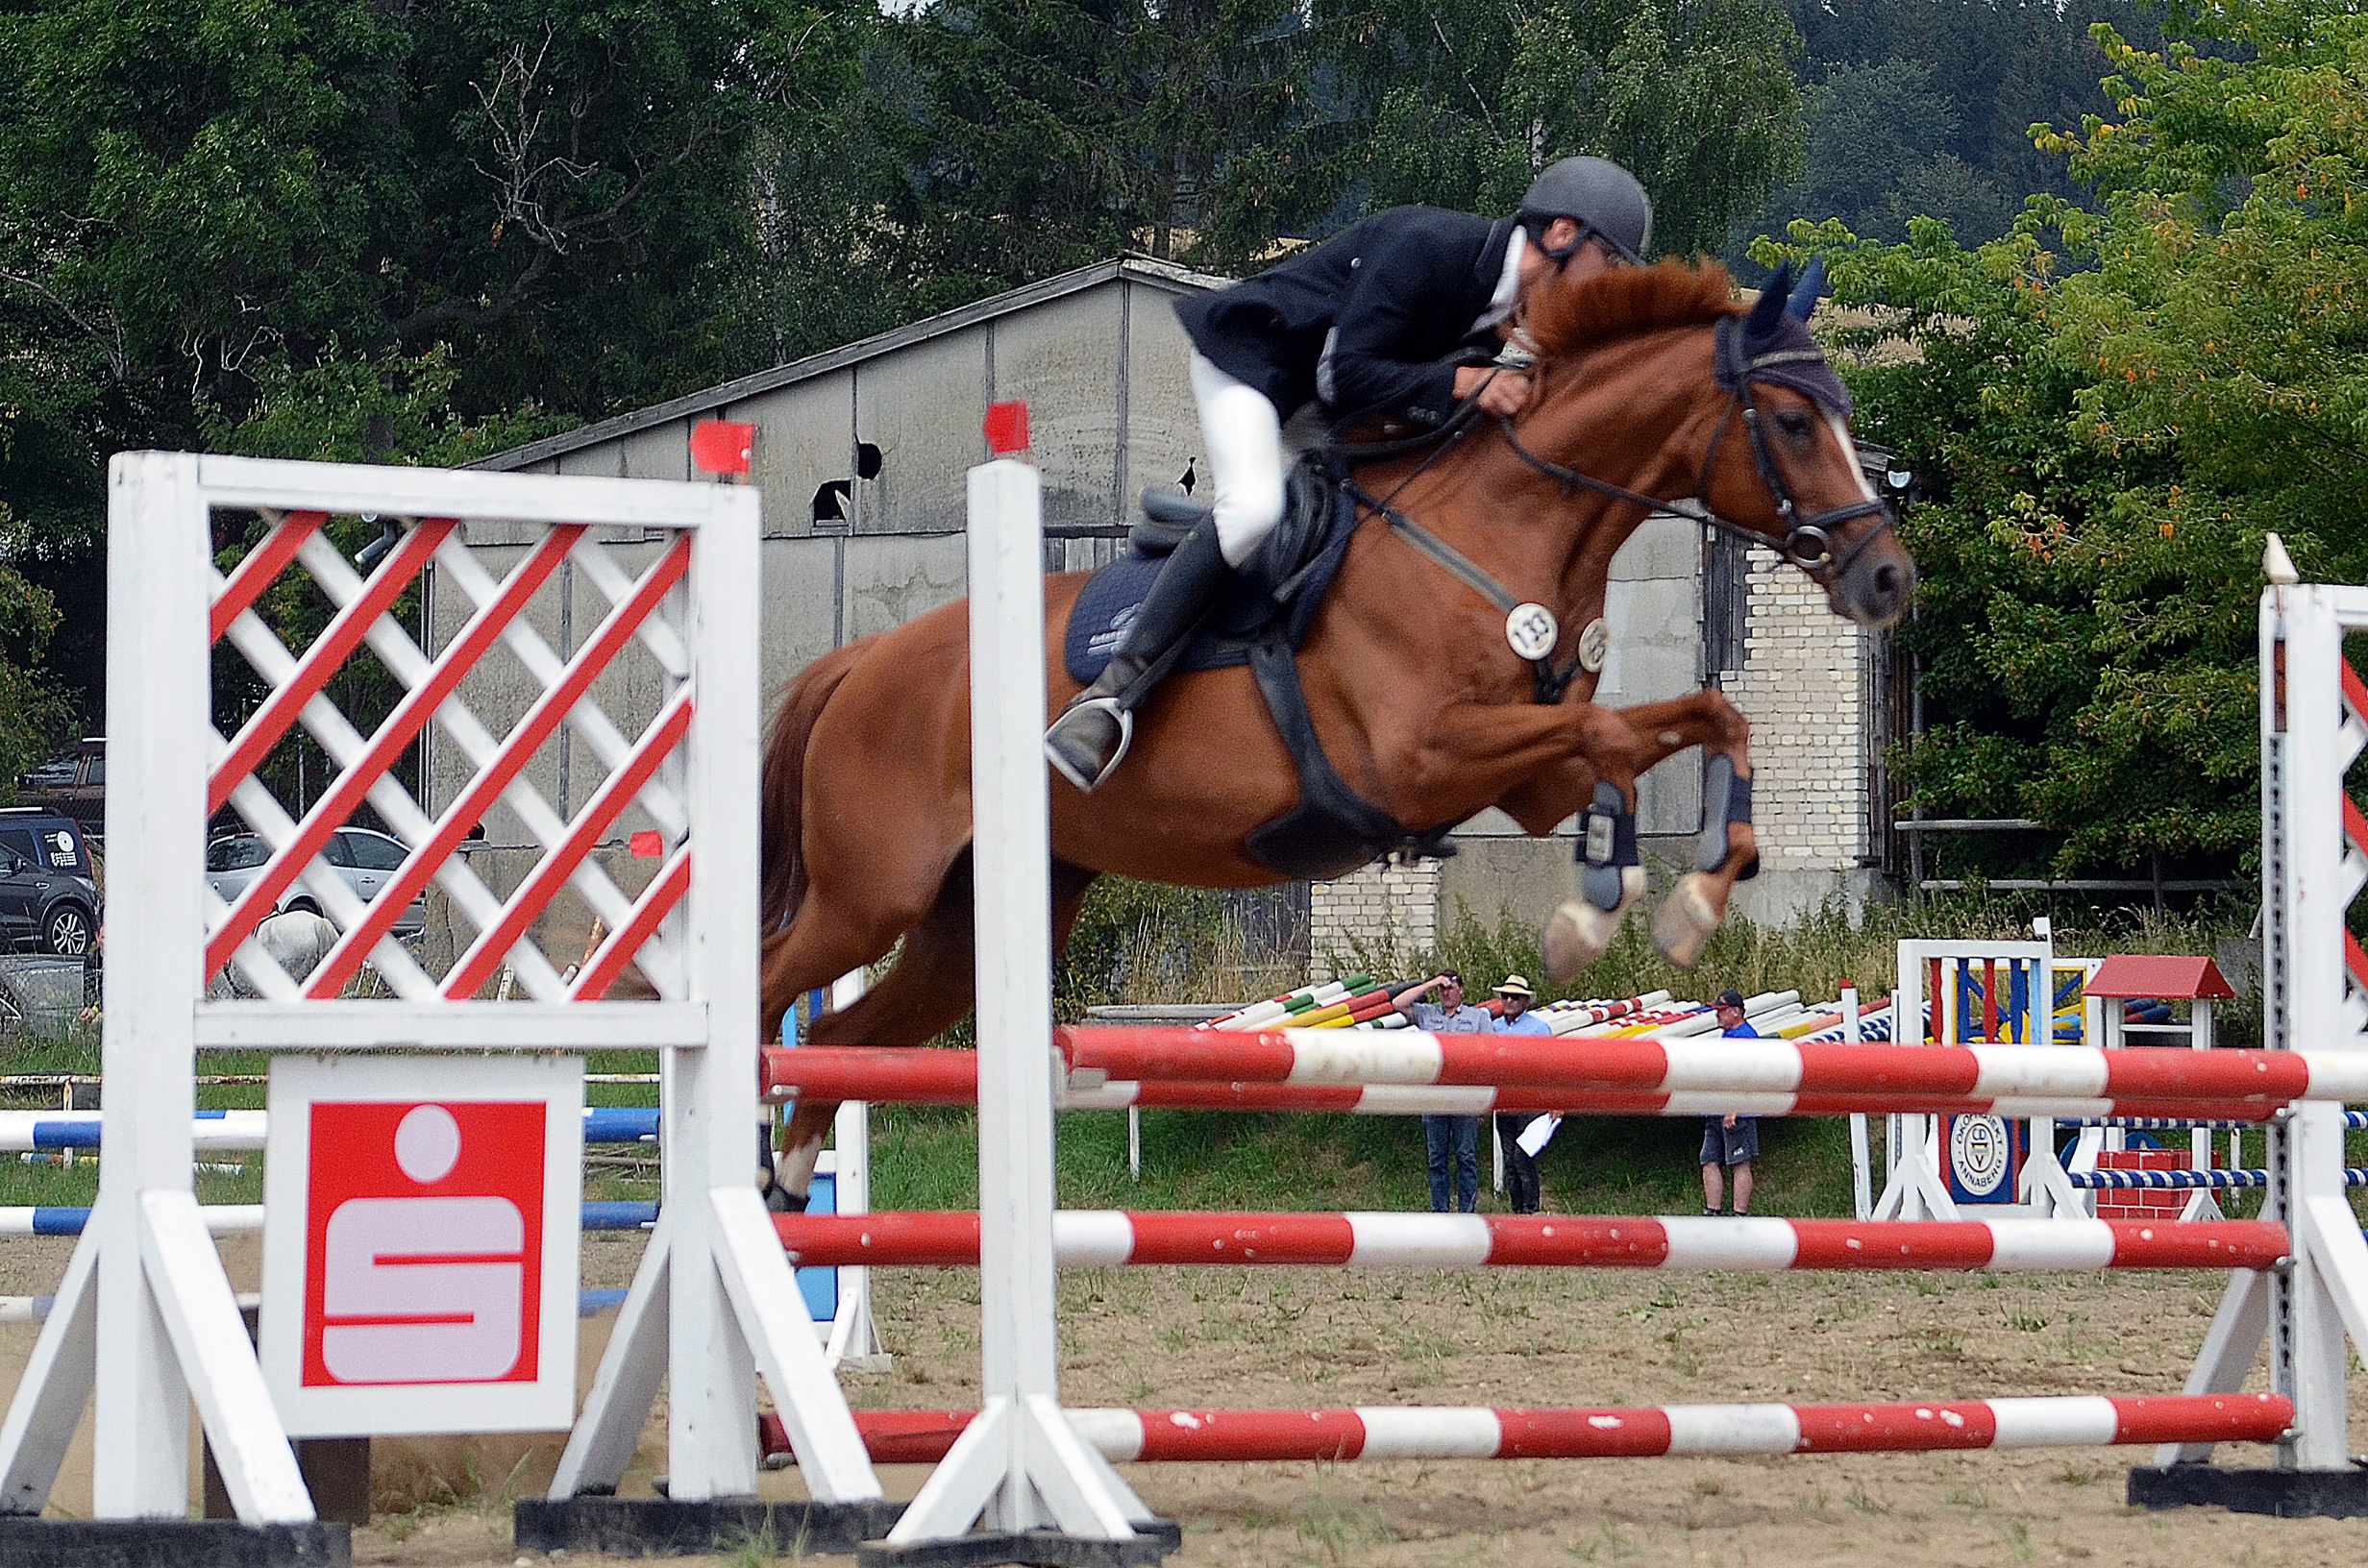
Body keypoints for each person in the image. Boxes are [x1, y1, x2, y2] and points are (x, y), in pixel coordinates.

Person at [1044, 157, 1657, 792]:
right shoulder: (1427, 244)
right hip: (1258, 369)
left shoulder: (1507, 306)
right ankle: (1110, 694)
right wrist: (1466, 381)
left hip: (1333, 405)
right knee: (1254, 509)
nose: (1610, 281)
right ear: (1562, 234)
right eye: (1610, 261)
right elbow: (1342, 375)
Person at [1394, 969, 1499, 1213]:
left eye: (1450, 988)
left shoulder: (1477, 1017)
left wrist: (1484, 1097)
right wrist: (1431, 984)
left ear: (1461, 990)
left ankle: (1467, 1212)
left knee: (1466, 1157)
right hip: (1434, 1096)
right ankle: (1440, 1211)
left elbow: (1491, 1054)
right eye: (1442, 989)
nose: (1446, 993)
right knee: (1437, 1159)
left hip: (1465, 1095)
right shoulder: (1427, 1013)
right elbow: (1398, 1003)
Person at [1490, 975, 1555, 1213]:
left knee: (1523, 1157)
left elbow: (1551, 1067)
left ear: (1526, 1001)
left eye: (1515, 997)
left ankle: (1531, 1210)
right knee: (1509, 1161)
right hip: (1505, 1102)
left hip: (1531, 1102)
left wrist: (1555, 1101)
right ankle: (1517, 1212)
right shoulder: (1493, 1028)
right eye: (1505, 996)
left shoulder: (1539, 1029)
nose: (1509, 1001)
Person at [1701, 989, 1760, 1216]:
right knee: (1708, 1159)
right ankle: (1712, 1211)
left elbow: (1749, 1076)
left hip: (1737, 1111)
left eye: (1722, 1011)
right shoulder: (1728, 1036)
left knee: (1740, 1161)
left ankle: (1739, 1214)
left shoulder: (1746, 1037)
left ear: (1736, 1012)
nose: (1717, 1015)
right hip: (1717, 1109)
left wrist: (1734, 1108)